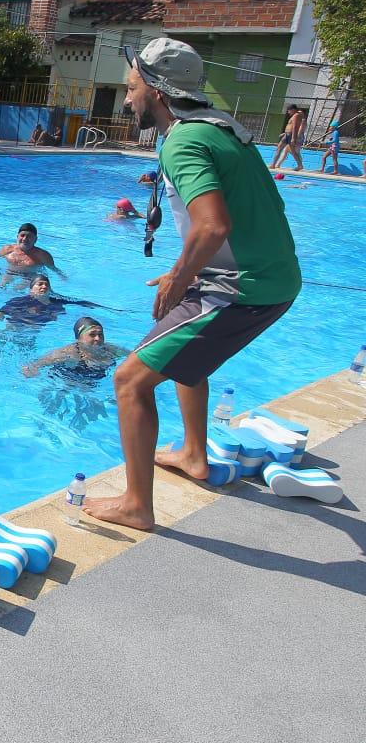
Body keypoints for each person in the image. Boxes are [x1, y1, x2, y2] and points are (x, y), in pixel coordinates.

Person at [82, 37, 302, 532]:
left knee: (130, 380)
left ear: (157, 91)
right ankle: (193, 454)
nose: (128, 98)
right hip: (264, 277)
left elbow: (213, 226)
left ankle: (137, 505)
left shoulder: (184, 140)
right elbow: (246, 219)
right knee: (183, 354)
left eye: (132, 86)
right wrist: (192, 269)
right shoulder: (220, 129)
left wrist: (182, 279)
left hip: (245, 287)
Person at [22, 317, 130, 379]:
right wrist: (31, 371)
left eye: (100, 334)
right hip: (67, 382)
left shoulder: (110, 349)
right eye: (92, 335)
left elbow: (136, 356)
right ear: (78, 338)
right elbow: (33, 365)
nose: (98, 338)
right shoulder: (68, 353)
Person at [0, 274, 99, 327]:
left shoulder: (56, 301)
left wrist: (95, 305)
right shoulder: (21, 300)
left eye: (47, 284)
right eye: (40, 284)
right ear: (31, 289)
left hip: (36, 329)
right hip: (17, 326)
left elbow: (78, 302)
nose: (44, 286)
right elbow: (1, 311)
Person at [0, 222, 64, 283]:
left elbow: (54, 269)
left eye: (29, 236)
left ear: (35, 239)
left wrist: (63, 278)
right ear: (17, 236)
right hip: (10, 272)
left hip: (30, 276)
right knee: (1, 286)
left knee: (18, 289)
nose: (25, 239)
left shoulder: (43, 255)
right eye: (22, 235)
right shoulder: (7, 249)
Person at [270, 104, 306, 171]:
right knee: (287, 150)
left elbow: (295, 127)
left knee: (285, 150)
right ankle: (273, 164)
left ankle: (273, 164)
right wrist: (284, 134)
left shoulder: (296, 115)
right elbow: (291, 126)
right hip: (287, 134)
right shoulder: (295, 115)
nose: (288, 112)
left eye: (289, 111)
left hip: (290, 135)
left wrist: (293, 138)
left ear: (293, 110)